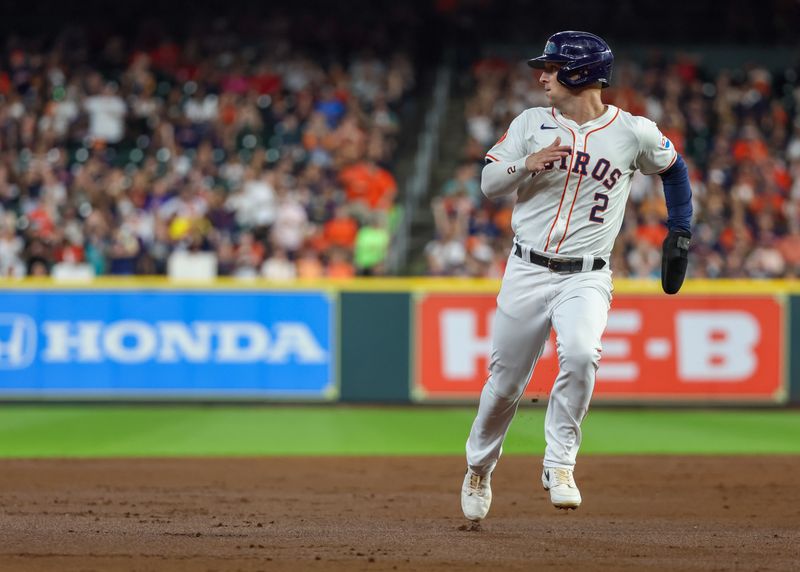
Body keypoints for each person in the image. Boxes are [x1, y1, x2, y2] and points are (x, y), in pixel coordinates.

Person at [460, 31, 693, 521]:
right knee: (504, 385)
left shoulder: (633, 131)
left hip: (585, 276)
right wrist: (525, 164)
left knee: (584, 353)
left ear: (580, 74)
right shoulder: (530, 123)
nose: (542, 76)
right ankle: (479, 468)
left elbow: (674, 169)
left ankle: (560, 463)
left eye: (551, 67)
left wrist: (680, 231)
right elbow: (487, 183)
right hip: (526, 269)